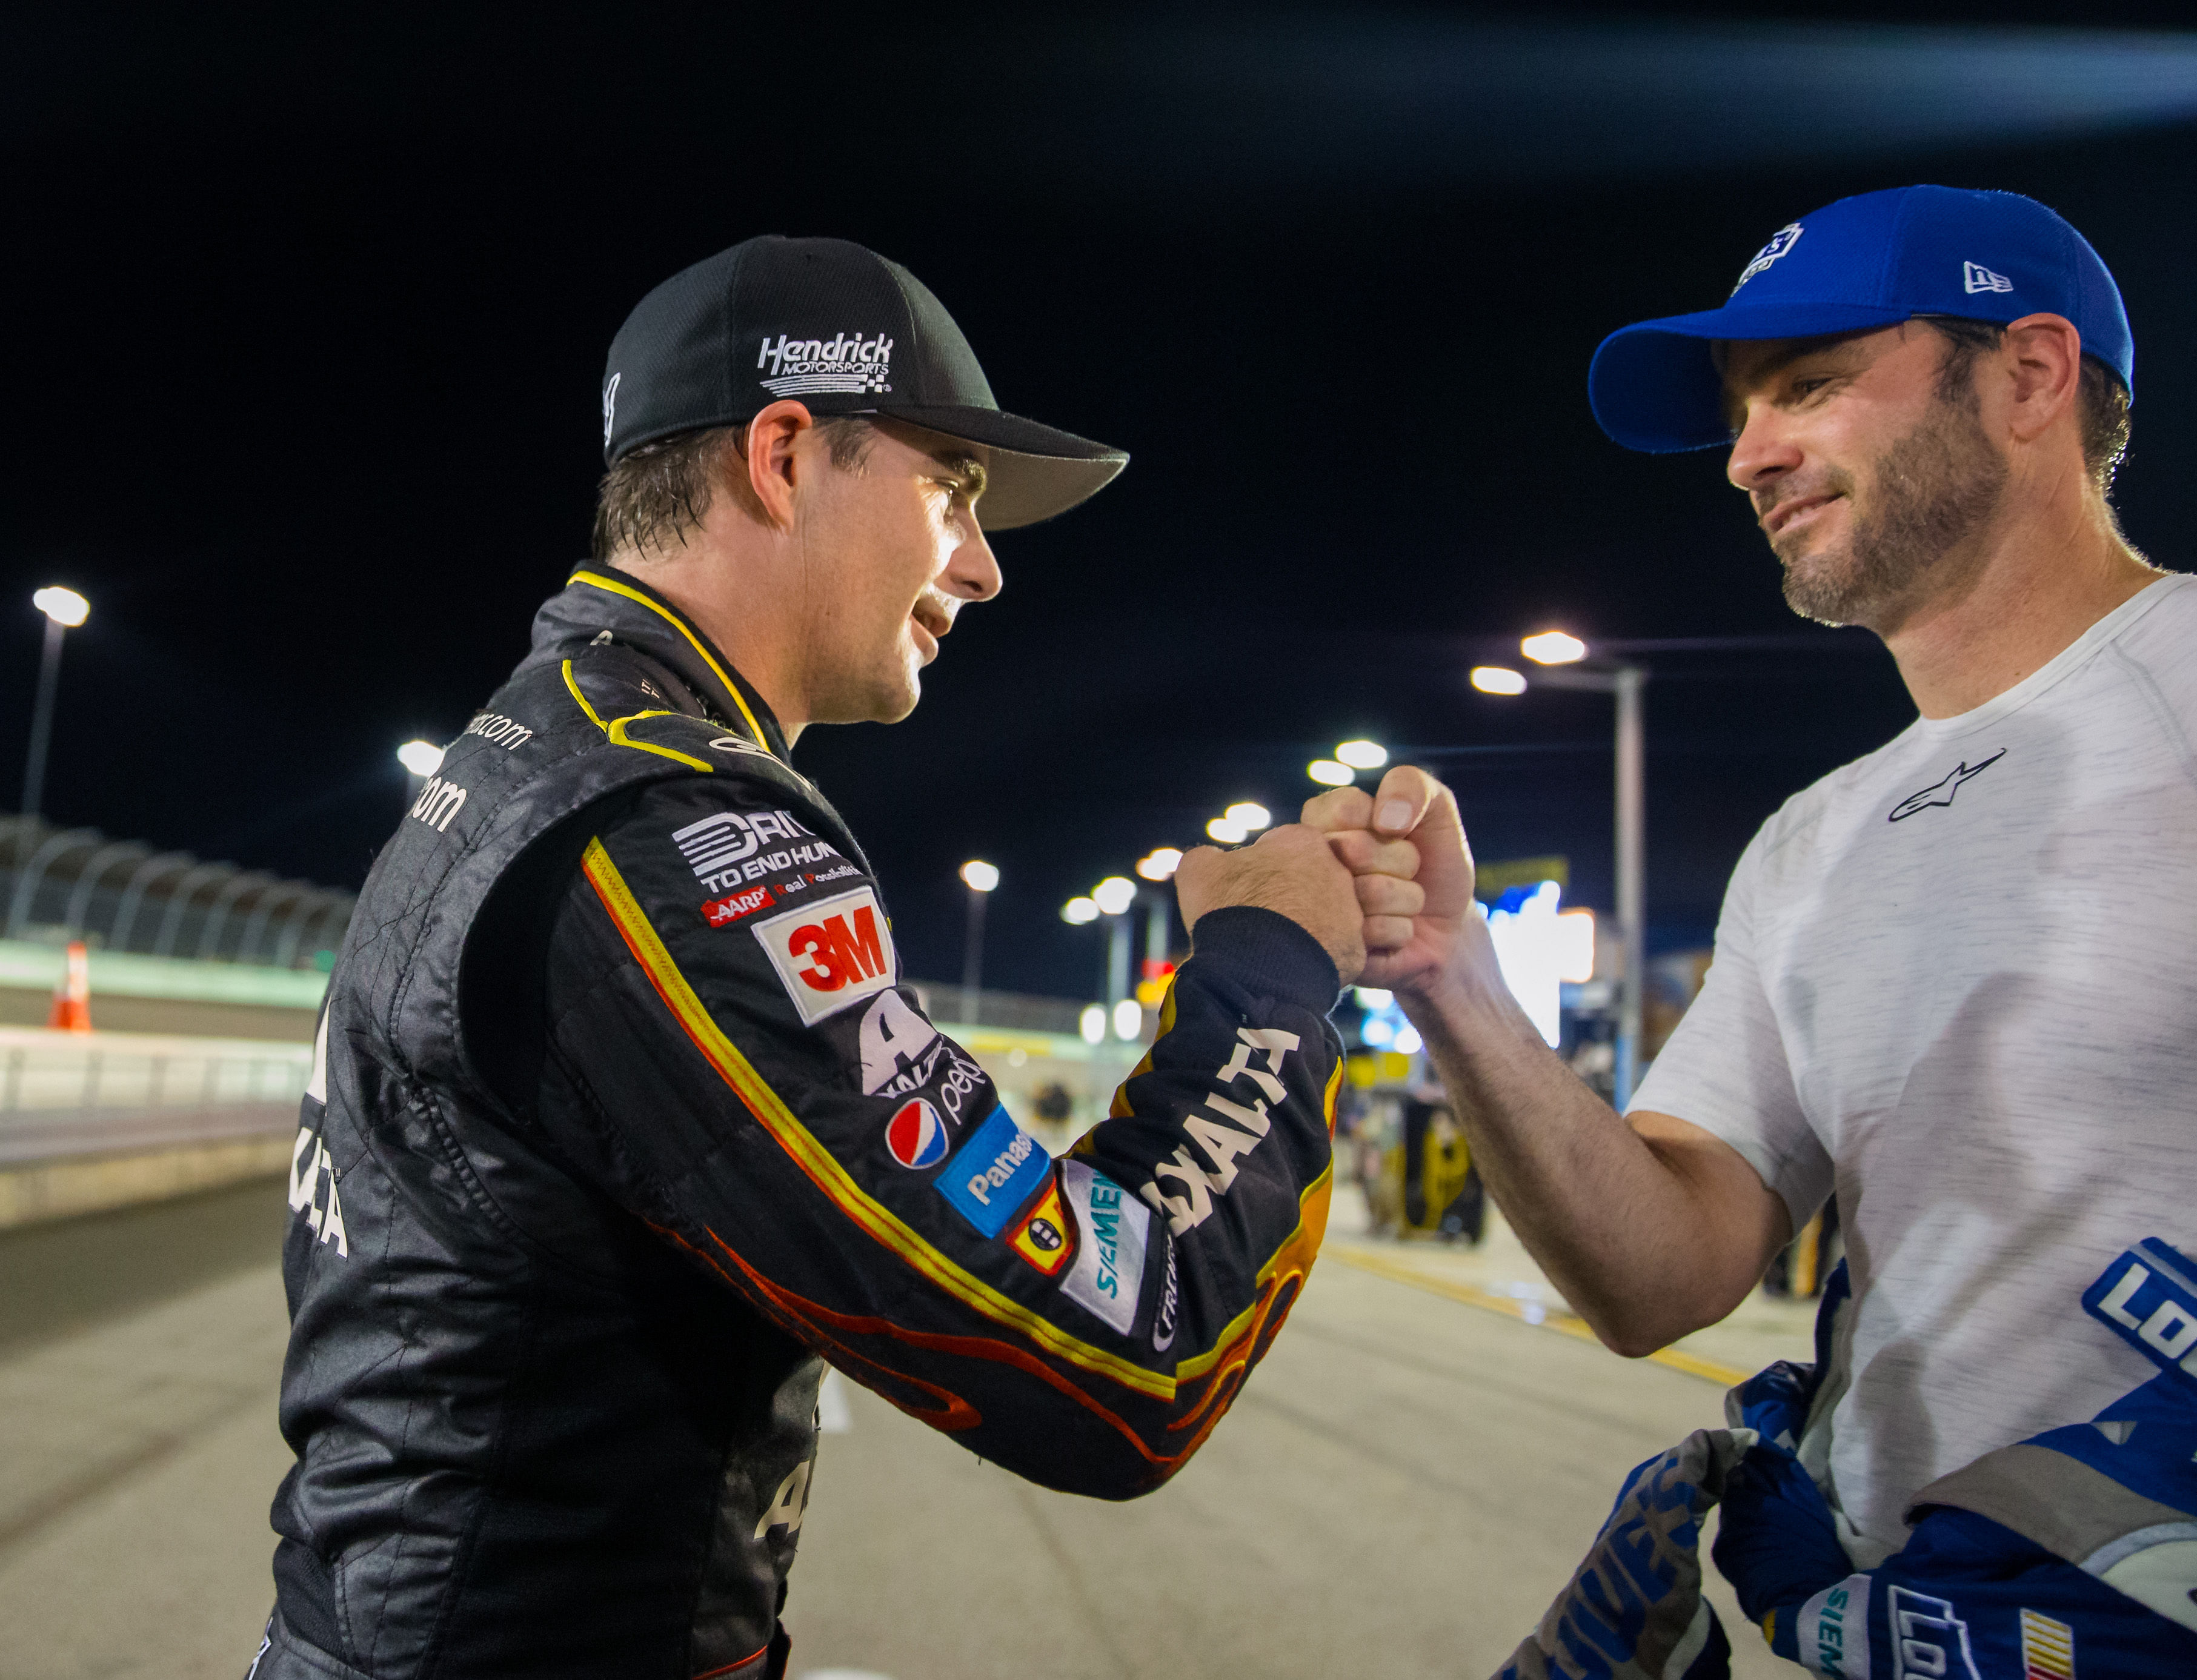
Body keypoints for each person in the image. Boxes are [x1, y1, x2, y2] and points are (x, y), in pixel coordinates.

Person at [255, 236, 1386, 1680]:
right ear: (785, 455)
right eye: (951, 491)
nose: (980, 569)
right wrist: (1269, 971)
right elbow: (1119, 1360)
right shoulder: (664, 833)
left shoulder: (550, 742)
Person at [1312, 186, 2197, 1578]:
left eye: (1810, 384)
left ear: (2030, 374)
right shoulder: (1812, 844)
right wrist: (1454, 979)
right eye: (1739, 414)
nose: (1748, 456)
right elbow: (1662, 1271)